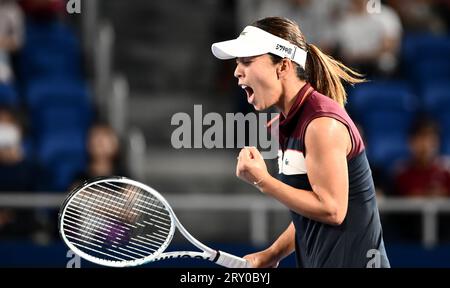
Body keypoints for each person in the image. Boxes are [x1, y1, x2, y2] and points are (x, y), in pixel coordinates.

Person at [211, 16, 390, 268]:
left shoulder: (321, 123)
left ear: (283, 66)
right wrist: (272, 253)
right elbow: (310, 209)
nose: (237, 71)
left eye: (247, 61)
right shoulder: (287, 122)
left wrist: (263, 181)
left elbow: (331, 210)